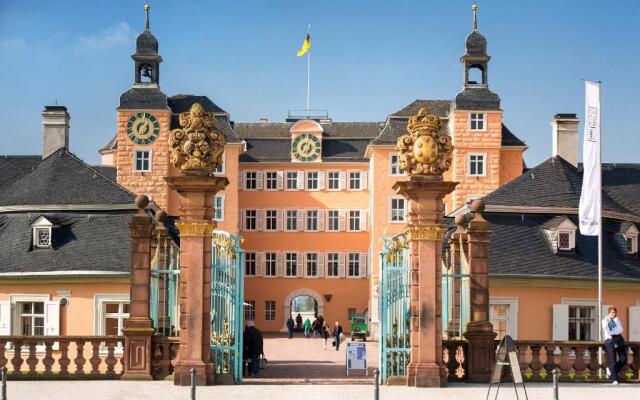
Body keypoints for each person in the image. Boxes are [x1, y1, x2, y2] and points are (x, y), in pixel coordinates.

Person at [602, 306, 627, 384]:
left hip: (619, 339)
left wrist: (615, 322)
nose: (613, 314)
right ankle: (614, 379)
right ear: (609, 313)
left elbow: (620, 330)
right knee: (613, 360)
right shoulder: (604, 320)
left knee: (624, 359)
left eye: (615, 312)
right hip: (610, 341)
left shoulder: (617, 320)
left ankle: (611, 370)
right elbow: (608, 331)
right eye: (612, 312)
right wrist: (615, 329)